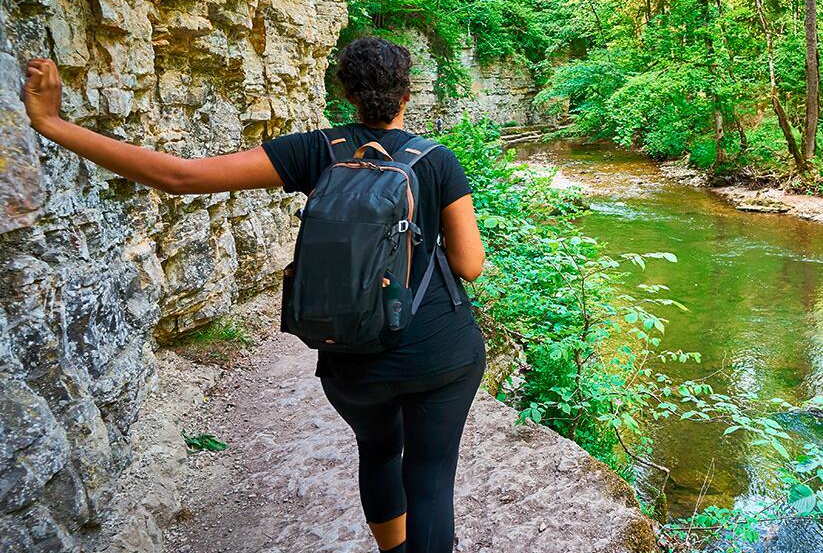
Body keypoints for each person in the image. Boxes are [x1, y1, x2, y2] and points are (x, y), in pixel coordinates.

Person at [22, 37, 487, 553]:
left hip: (350, 350)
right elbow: (469, 265)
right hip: (438, 349)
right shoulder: (437, 160)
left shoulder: (316, 151)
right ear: (406, 93)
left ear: (348, 94)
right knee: (429, 478)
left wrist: (52, 124)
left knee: (378, 452)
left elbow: (179, 176)